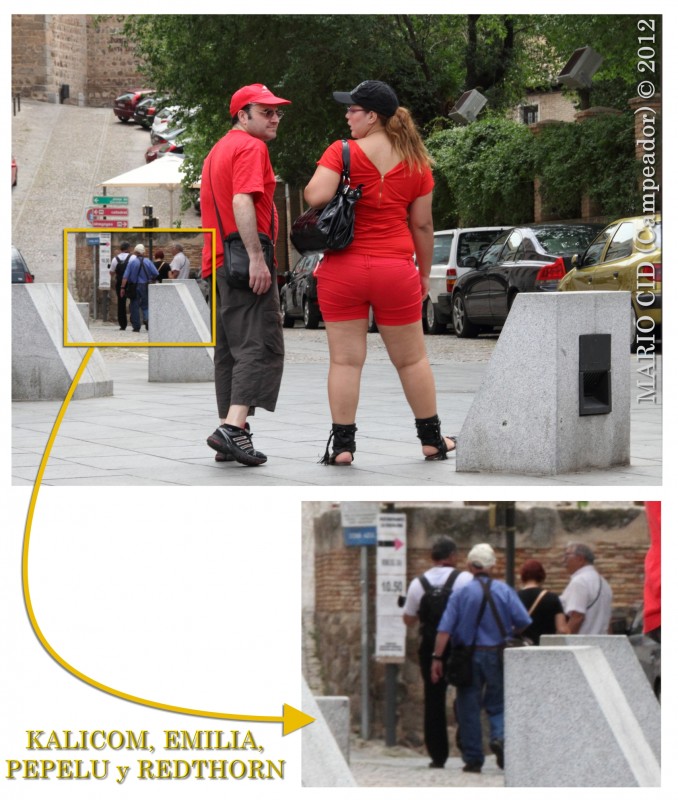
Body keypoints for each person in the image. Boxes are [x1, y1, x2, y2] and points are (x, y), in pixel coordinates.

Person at [304, 80, 456, 465]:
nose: (347, 115)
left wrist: (345, 180)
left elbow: (314, 196)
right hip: (396, 269)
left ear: (372, 116)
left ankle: (342, 447)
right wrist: (422, 275)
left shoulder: (342, 152)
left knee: (344, 361)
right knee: (412, 360)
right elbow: (422, 225)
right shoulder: (418, 162)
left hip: (344, 270)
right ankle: (433, 440)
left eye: (352, 109)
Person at [200, 84, 290, 466]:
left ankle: (231, 433)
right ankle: (233, 429)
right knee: (260, 344)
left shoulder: (216, 151)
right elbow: (242, 199)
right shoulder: (252, 147)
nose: (274, 118)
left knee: (230, 352)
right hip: (242, 262)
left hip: (217, 263)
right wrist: (257, 256)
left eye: (277, 112)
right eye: (265, 111)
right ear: (242, 115)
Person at [431, 543, 531, 773]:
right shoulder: (505, 590)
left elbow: (444, 630)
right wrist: (507, 631)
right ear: (492, 567)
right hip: (497, 654)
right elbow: (524, 622)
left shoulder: (461, 593)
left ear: (469, 566)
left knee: (468, 707)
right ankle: (500, 737)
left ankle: (474, 758)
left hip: (467, 657)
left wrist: (437, 658)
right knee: (497, 703)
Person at [402, 536, 472, 769]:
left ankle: (437, 755)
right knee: (467, 694)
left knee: (433, 700)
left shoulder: (417, 583)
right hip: (460, 645)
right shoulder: (465, 579)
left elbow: (409, 620)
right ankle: (469, 749)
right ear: (452, 556)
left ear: (432, 558)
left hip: (430, 648)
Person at [560, 542, 613, 634]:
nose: (564, 561)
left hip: (582, 644)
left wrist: (562, 643)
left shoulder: (580, 582)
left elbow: (577, 618)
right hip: (601, 644)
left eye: (567, 556)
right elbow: (608, 622)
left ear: (580, 559)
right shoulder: (604, 583)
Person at [517, 559, 568, 644]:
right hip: (545, 648)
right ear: (542, 576)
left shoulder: (515, 598)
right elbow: (562, 629)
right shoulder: (552, 598)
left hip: (521, 648)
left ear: (523, 576)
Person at [120, 243, 159, 332]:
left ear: (135, 252)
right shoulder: (148, 261)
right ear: (143, 252)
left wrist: (122, 288)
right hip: (145, 285)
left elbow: (125, 277)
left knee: (134, 305)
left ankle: (136, 326)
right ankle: (148, 321)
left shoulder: (132, 262)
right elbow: (156, 273)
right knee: (145, 305)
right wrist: (150, 278)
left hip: (134, 286)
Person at [109, 241, 132, 330]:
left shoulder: (115, 259)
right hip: (130, 282)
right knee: (133, 301)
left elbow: (111, 272)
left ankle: (123, 325)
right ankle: (134, 321)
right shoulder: (132, 258)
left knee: (121, 303)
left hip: (119, 283)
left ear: (121, 249)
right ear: (128, 248)